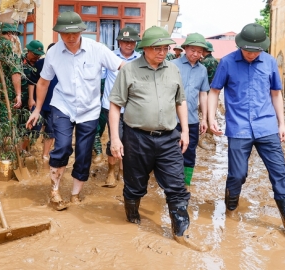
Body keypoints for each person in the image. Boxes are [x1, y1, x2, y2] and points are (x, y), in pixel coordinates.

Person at [207, 23, 285, 245]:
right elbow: (214, 91)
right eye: (248, 51)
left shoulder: (270, 61)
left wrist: (281, 124)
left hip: (267, 127)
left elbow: (276, 93)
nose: (252, 54)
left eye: (256, 51)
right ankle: (231, 207)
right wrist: (211, 118)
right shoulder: (226, 63)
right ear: (240, 46)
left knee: (279, 173)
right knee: (237, 174)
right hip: (238, 128)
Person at [109, 26, 207, 251]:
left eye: (165, 48)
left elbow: (180, 101)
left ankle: (181, 231)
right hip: (136, 137)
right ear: (145, 49)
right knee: (134, 185)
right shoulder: (129, 70)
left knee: (176, 185)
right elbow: (115, 106)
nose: (162, 52)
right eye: (157, 48)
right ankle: (132, 218)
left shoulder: (173, 70)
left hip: (168, 138)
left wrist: (184, 131)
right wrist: (116, 138)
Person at [25, 11, 125, 211]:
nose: (70, 37)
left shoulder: (97, 49)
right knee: (61, 147)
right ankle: (55, 191)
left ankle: (75, 194)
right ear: (59, 33)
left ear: (82, 31)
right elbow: (43, 82)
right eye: (65, 33)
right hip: (62, 105)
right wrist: (36, 110)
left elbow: (123, 67)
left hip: (89, 110)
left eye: (75, 33)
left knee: (83, 154)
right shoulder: (53, 53)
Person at [101, 26, 141, 188]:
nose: (129, 45)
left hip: (133, 108)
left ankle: (123, 172)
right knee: (114, 139)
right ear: (119, 42)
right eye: (125, 42)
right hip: (112, 107)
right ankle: (111, 171)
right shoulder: (110, 57)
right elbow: (100, 76)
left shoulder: (141, 59)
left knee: (129, 141)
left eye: (132, 42)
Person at [171, 33, 210, 189]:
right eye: (193, 50)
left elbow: (203, 94)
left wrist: (205, 118)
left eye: (199, 51)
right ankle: (171, 182)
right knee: (170, 152)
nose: (196, 54)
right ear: (185, 48)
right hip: (171, 119)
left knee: (189, 152)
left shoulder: (203, 70)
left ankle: (185, 185)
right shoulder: (172, 65)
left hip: (192, 119)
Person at [28, 43, 57, 161]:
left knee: (51, 131)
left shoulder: (64, 65)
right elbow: (32, 82)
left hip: (55, 105)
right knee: (32, 128)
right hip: (39, 104)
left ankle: (45, 154)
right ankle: (26, 151)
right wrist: (31, 98)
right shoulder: (40, 64)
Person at [21, 40, 45, 153]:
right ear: (29, 51)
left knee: (35, 127)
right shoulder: (19, 61)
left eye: (39, 55)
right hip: (19, 101)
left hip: (33, 102)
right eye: (35, 54)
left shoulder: (39, 64)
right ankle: (20, 150)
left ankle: (27, 149)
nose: (37, 57)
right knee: (21, 127)